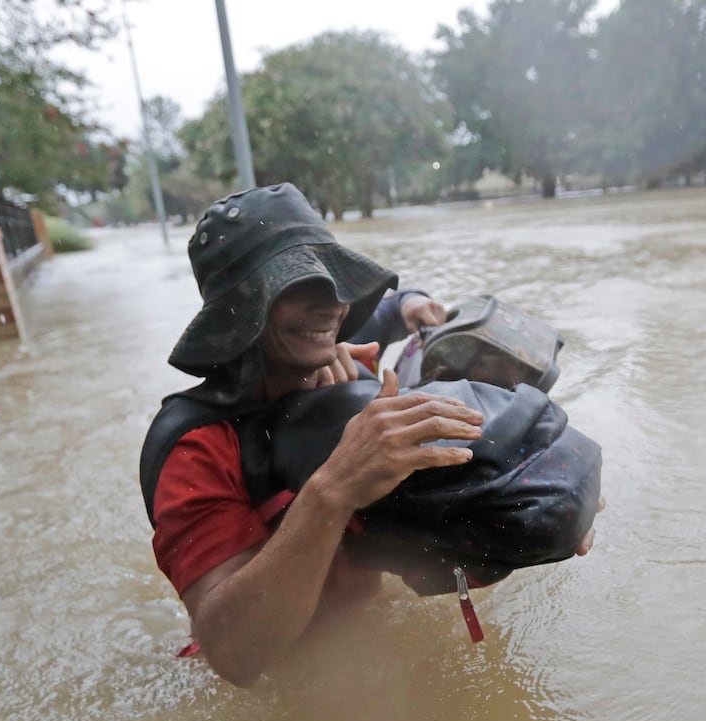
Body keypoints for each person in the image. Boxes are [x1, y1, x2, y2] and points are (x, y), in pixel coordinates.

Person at [140, 184, 595, 687]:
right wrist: (335, 488)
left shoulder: (350, 365)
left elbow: (387, 312)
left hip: (366, 639)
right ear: (241, 309)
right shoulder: (197, 447)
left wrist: (559, 493)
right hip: (283, 676)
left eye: (335, 280)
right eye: (299, 285)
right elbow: (235, 657)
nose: (330, 305)